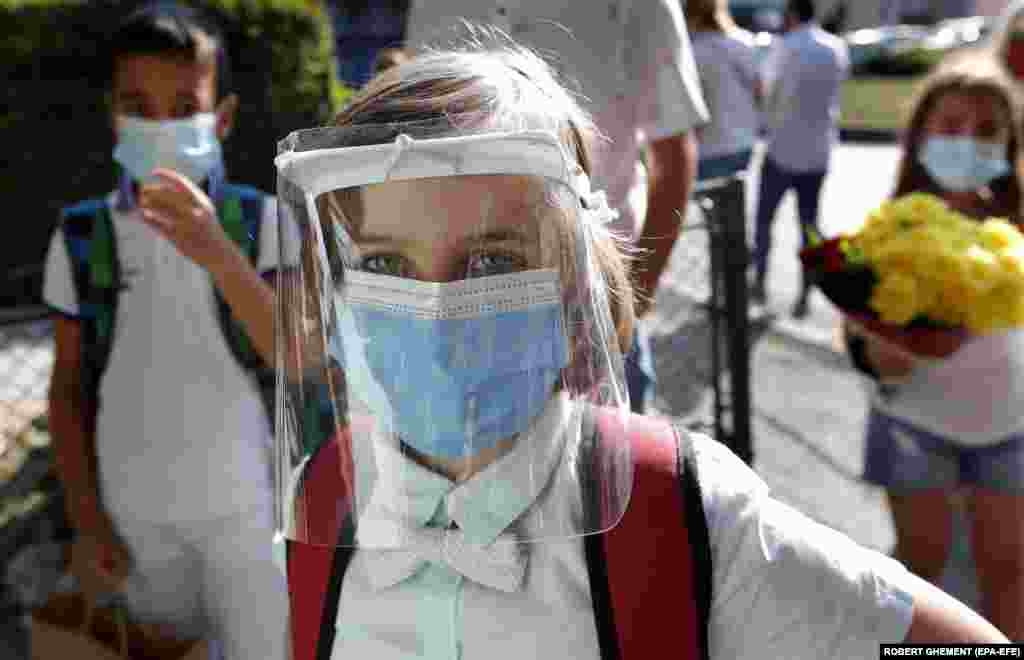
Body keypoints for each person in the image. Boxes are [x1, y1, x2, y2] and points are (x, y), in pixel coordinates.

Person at [273, 44, 1010, 660]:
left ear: (571, 289)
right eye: (387, 266)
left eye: (492, 262)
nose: (434, 310)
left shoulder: (691, 518)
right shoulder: (326, 495)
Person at [43, 4, 289, 658]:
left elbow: (294, 359)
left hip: (251, 514)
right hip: (135, 525)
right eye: (138, 105)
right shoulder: (80, 237)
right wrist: (89, 523)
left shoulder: (259, 222)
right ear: (113, 117)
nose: (161, 125)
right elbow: (67, 390)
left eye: (185, 106)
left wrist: (215, 249)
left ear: (222, 119)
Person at [402, 1, 710, 414]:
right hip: (454, 314)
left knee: (608, 474)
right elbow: (416, 138)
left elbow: (672, 155)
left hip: (590, 309)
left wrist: (630, 306)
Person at [842, 52, 1024, 641]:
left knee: (1011, 575)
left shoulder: (1018, 227)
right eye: (950, 126)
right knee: (923, 585)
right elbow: (856, 329)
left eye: (986, 130)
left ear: (1009, 144)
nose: (967, 141)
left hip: (1010, 430)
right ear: (920, 134)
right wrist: (876, 355)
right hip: (913, 428)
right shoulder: (890, 225)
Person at [751, 0, 849, 318]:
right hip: (818, 151)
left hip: (782, 149)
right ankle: (806, 293)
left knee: (764, 221)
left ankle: (760, 284)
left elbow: (766, 91)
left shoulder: (784, 47)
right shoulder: (836, 48)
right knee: (809, 225)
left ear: (791, 15)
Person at [687, 0, 763, 181]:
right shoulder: (743, 43)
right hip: (743, 142)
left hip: (707, 149)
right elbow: (759, 91)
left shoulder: (690, 53)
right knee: (737, 205)